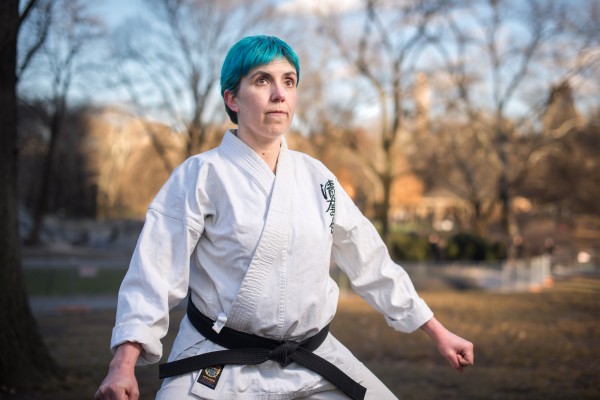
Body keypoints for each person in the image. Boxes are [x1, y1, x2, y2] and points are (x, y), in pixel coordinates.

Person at [95, 35, 474, 400]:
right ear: (232, 98)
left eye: (288, 81)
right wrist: (123, 363)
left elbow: (371, 261)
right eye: (263, 80)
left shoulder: (318, 178)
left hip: (312, 357)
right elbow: (155, 271)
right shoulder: (200, 175)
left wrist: (438, 332)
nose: (279, 93)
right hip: (218, 357)